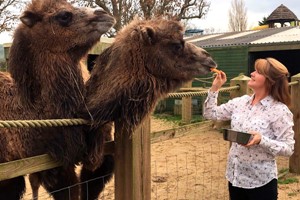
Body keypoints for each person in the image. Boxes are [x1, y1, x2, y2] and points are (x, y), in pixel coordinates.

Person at [203, 58, 295, 200]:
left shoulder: (279, 111)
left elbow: (288, 148)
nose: (251, 73)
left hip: (260, 182)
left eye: (258, 72)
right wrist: (215, 87)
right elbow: (210, 113)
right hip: (235, 177)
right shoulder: (240, 102)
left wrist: (261, 140)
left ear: (270, 80)